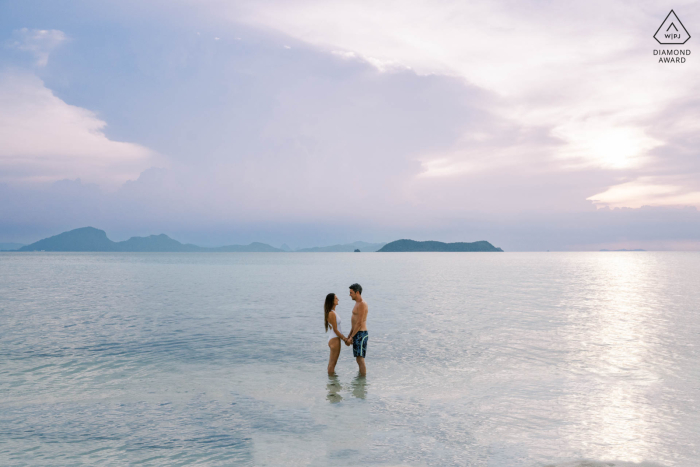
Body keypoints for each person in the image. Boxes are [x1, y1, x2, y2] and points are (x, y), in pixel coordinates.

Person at [344, 283, 368, 376]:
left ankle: (362, 382)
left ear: (357, 292)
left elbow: (359, 323)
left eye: (351, 292)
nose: (350, 294)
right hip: (356, 333)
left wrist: (351, 337)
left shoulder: (362, 304)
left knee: (360, 359)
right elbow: (354, 323)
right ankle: (360, 383)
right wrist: (349, 336)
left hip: (361, 334)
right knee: (358, 359)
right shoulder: (357, 304)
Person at [324, 293, 347, 375]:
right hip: (334, 339)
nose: (338, 300)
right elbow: (336, 330)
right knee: (332, 365)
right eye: (336, 298)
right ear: (332, 301)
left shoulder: (333, 312)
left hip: (334, 338)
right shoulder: (331, 313)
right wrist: (345, 339)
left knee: (332, 364)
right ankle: (332, 385)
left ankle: (331, 384)